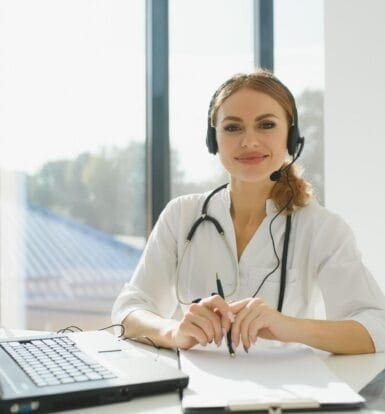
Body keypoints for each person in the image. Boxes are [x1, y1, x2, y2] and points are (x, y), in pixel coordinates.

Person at [112, 69, 385, 355]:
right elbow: (129, 309)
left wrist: (289, 326)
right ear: (212, 139)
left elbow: (377, 326)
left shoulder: (323, 228)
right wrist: (174, 331)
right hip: (195, 390)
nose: (249, 142)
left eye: (266, 125)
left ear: (291, 137)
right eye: (232, 127)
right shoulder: (181, 215)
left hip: (289, 393)